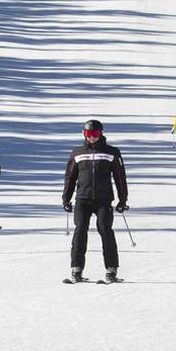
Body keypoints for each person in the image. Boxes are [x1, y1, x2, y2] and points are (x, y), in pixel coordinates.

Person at [62, 119, 128, 283]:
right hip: (82, 199)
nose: (92, 137)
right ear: (84, 134)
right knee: (80, 231)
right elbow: (70, 177)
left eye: (95, 134)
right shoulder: (77, 153)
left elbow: (120, 177)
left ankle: (111, 270)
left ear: (101, 134)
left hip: (103, 199)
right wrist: (66, 199)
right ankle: (76, 270)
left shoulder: (112, 152)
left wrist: (122, 199)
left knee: (105, 230)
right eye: (89, 134)